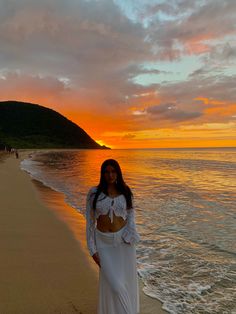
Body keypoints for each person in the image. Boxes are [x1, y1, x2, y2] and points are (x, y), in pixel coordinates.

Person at [86, 159, 140, 314]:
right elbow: (90, 223)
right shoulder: (93, 194)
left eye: (113, 171)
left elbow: (131, 216)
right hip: (103, 243)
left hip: (124, 243)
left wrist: (131, 236)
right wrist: (92, 250)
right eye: (107, 172)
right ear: (102, 174)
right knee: (114, 286)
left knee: (126, 283)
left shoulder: (126, 192)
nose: (110, 175)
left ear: (118, 173)